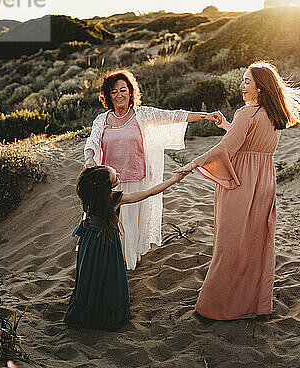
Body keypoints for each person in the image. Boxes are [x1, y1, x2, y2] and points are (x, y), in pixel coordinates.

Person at [175, 61, 300, 320]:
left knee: (230, 241)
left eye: (247, 81)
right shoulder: (274, 115)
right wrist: (228, 125)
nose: (242, 85)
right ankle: (254, 304)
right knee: (255, 240)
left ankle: (215, 307)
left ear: (260, 88)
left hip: (240, 181)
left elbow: (226, 149)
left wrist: (192, 164)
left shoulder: (246, 114)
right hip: (264, 180)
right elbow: (248, 139)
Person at [84, 70, 217, 270]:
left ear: (131, 92)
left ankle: (126, 264)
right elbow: (93, 141)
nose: (119, 95)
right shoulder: (102, 120)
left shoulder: (142, 114)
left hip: (137, 177)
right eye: (114, 92)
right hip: (110, 182)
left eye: (123, 90)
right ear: (108, 96)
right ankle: (110, 261)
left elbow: (172, 116)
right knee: (111, 222)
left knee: (130, 224)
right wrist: (89, 158)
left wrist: (204, 116)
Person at [64, 165, 186, 330]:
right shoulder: (114, 199)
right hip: (106, 244)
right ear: (106, 186)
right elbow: (149, 192)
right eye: (115, 176)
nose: (119, 174)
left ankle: (88, 309)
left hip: (90, 243)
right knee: (108, 275)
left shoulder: (90, 197)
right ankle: (104, 315)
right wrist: (173, 180)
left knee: (91, 274)